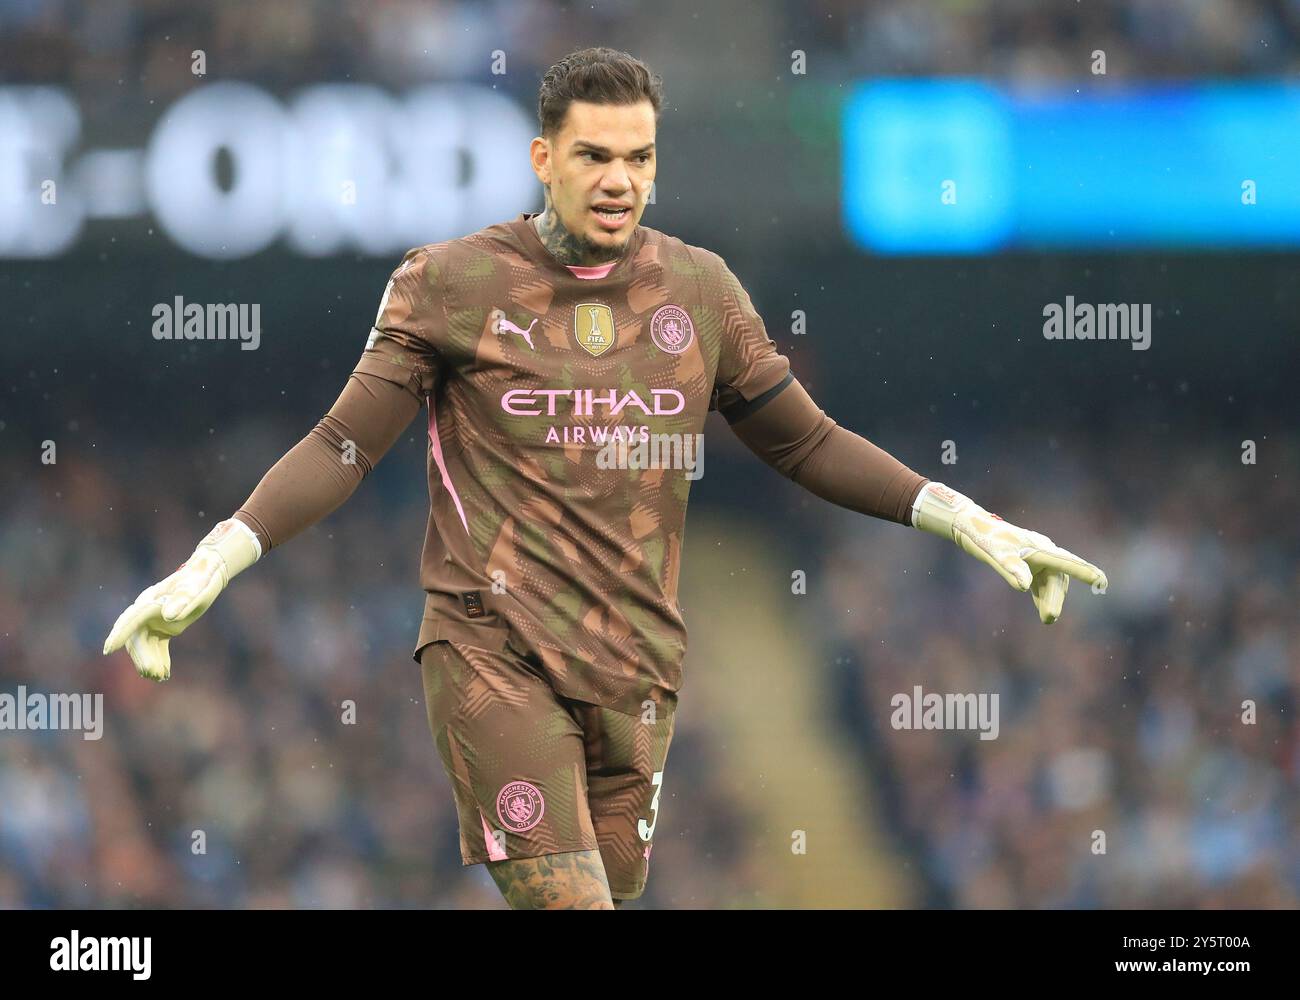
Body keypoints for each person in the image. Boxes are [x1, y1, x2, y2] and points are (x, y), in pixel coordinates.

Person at [104, 47, 1107, 909]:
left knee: (605, 889)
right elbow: (341, 444)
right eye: (593, 155)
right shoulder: (450, 282)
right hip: (490, 650)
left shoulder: (700, 290)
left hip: (634, 664)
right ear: (544, 159)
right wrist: (213, 559)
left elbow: (803, 441)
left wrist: (967, 520)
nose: (619, 177)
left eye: (638, 157)